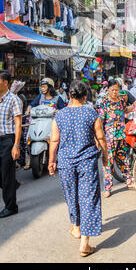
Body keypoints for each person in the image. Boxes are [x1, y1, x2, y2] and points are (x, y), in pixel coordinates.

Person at [48, 80, 108, 257]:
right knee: (89, 197)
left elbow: (54, 140)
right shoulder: (91, 113)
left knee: (71, 195)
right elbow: (101, 137)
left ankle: (76, 227)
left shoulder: (59, 115)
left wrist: (52, 160)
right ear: (84, 97)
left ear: (69, 96)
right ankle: (84, 243)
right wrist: (105, 156)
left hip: (66, 162)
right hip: (87, 162)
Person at [0, 70, 23, 219]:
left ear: (5, 82)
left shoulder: (14, 99)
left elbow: (18, 122)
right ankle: (12, 186)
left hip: (8, 141)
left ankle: (11, 207)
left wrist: (16, 145)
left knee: (7, 175)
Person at [97, 79, 136, 197]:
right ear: (108, 89)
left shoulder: (121, 101)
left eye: (117, 90)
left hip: (121, 136)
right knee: (108, 163)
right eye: (112, 89)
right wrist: (98, 138)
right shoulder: (104, 103)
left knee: (124, 160)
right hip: (108, 138)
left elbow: (125, 111)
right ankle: (108, 187)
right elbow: (100, 121)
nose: (114, 92)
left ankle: (129, 180)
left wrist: (133, 106)